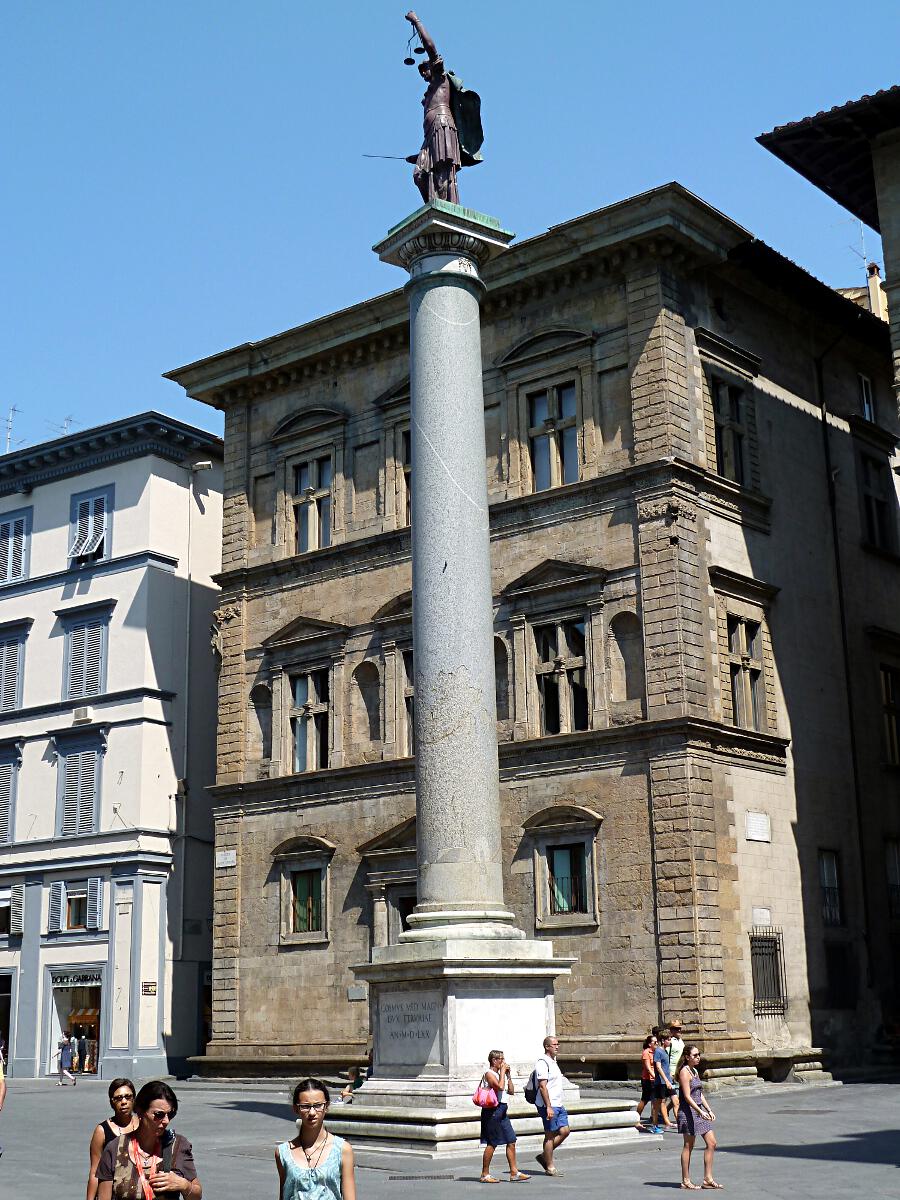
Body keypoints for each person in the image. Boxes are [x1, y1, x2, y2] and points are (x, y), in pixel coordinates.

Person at [96, 1080, 201, 1199]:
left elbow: (196, 1195)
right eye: (159, 1115)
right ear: (140, 1111)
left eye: (170, 1115)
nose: (166, 1121)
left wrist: (184, 1185)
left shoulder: (178, 1145)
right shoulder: (114, 1149)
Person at [275, 1078, 356, 1200]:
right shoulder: (283, 1153)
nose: (312, 1112)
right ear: (296, 1108)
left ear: (326, 1106)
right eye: (305, 1106)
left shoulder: (342, 1150)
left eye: (318, 1105)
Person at [478, 1050, 529, 1183]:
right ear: (494, 1060)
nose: (503, 1061)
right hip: (492, 1111)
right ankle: (485, 1174)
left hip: (502, 1110)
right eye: (500, 1059)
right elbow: (500, 1087)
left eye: (503, 1058)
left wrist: (508, 1076)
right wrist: (502, 1074)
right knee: (492, 1143)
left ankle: (514, 1172)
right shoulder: (489, 1074)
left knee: (511, 1140)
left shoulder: (500, 1074)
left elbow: (510, 1091)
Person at [676, 1046, 720, 1191]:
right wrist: (700, 1111)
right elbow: (687, 1097)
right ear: (687, 1057)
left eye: (699, 1055)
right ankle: (685, 1180)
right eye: (695, 1055)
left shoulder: (694, 1070)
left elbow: (699, 1093)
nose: (698, 1057)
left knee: (712, 1143)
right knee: (689, 1146)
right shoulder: (684, 1072)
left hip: (699, 1112)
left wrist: (708, 1109)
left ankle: (707, 1179)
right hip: (688, 1113)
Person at [86, 1078, 139, 1200]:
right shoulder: (102, 1131)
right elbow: (95, 1171)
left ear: (134, 1099)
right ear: (111, 1102)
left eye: (128, 1097)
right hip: (112, 1193)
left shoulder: (143, 1125)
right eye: (118, 1098)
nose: (124, 1101)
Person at [533, 1035, 569, 1177]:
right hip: (548, 1104)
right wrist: (548, 1107)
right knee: (550, 1135)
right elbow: (543, 1087)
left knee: (565, 1131)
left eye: (557, 1044)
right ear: (547, 1047)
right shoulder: (542, 1063)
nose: (557, 1046)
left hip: (558, 1103)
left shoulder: (553, 1062)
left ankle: (544, 1155)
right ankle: (549, 1166)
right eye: (554, 1044)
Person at [652, 1032, 676, 1133]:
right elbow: (658, 1067)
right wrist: (666, 1080)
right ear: (663, 1040)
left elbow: (666, 1067)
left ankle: (680, 1122)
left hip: (668, 1081)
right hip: (661, 1082)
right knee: (658, 1104)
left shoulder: (665, 1051)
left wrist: (670, 1077)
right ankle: (655, 1125)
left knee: (676, 1100)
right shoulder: (658, 1051)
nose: (670, 1041)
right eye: (669, 1039)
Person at [635, 1034, 658, 1128]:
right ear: (649, 1044)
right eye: (655, 1042)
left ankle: (654, 1122)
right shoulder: (646, 1053)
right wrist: (655, 1077)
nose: (657, 1043)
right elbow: (648, 1068)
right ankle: (636, 1119)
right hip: (648, 1080)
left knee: (655, 1101)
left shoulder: (655, 1052)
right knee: (645, 1100)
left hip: (654, 1079)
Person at [667, 1021, 685, 1119]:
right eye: (676, 1029)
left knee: (678, 1097)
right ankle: (679, 1122)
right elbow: (665, 1057)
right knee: (675, 1100)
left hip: (679, 1072)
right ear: (671, 1030)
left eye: (680, 1028)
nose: (679, 1030)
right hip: (671, 1073)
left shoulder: (680, 1040)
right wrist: (668, 1072)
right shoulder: (670, 1042)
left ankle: (664, 1111)